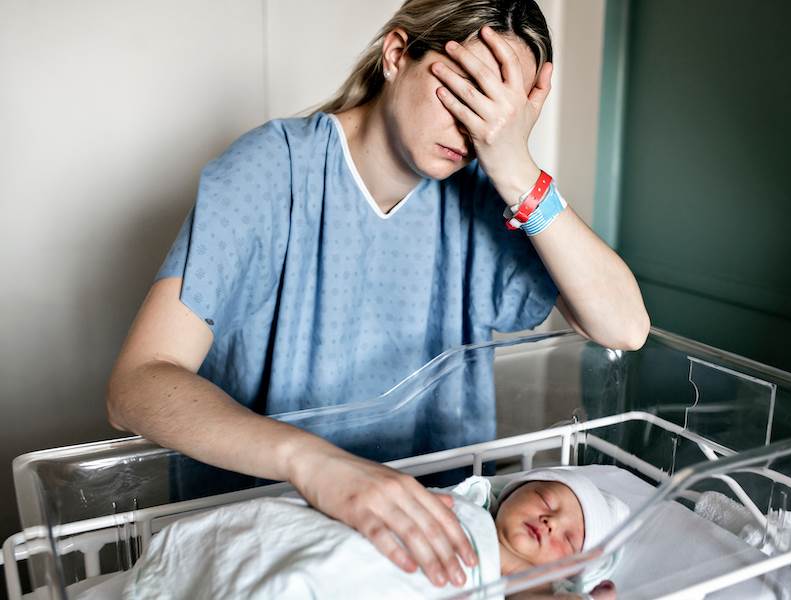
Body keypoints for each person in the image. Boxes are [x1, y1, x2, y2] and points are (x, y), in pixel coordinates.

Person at [106, 0, 649, 591]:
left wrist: (517, 168)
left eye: (498, 112)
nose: (474, 128)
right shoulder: (272, 171)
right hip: (276, 532)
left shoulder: (490, 196)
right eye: (463, 91)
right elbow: (138, 383)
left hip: (437, 539)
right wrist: (316, 465)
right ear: (396, 56)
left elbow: (624, 327)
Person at [95, 468, 623, 599]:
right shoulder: (458, 510)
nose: (551, 521)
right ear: (512, 491)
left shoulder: (524, 589)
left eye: (569, 539)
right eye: (549, 499)